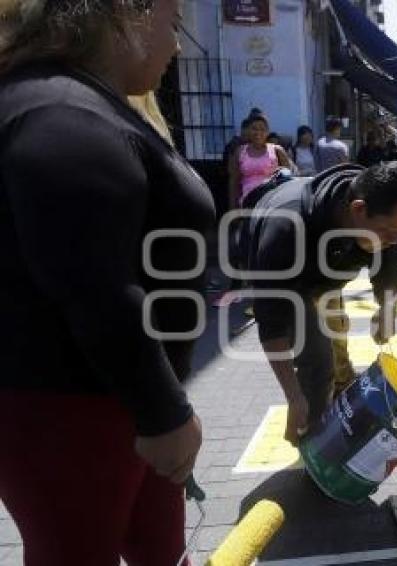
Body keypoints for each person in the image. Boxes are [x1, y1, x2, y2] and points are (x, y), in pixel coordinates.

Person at [0, 1, 213, 563]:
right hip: (74, 408)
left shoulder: (78, 101)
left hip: (121, 405)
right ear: (129, 12)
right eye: (176, 25)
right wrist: (162, 410)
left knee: (160, 551)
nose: (179, 47)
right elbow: (90, 280)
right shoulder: (59, 110)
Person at [246, 163, 397, 440]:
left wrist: (388, 311)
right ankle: (315, 449)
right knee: (318, 362)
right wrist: (294, 397)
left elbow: (389, 272)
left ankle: (338, 393)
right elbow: (271, 323)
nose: (396, 239)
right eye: (388, 230)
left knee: (336, 338)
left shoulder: (389, 225)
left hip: (329, 271)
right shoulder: (286, 229)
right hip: (290, 281)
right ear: (357, 209)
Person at [228, 112, 296, 211]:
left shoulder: (277, 151)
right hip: (248, 203)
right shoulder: (240, 152)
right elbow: (234, 182)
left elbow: (288, 180)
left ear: (267, 132)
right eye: (254, 128)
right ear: (248, 131)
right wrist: (233, 209)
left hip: (272, 203)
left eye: (262, 129)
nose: (258, 132)